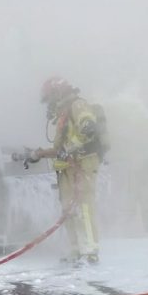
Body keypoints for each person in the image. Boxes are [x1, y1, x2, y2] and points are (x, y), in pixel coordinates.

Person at [25, 76, 109, 265]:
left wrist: (69, 149)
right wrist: (36, 154)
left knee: (85, 207)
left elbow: (89, 129)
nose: (49, 104)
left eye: (50, 98)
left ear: (57, 93)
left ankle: (90, 250)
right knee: (67, 209)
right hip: (68, 169)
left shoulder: (78, 106)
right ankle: (76, 249)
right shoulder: (63, 114)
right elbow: (58, 150)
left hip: (83, 166)